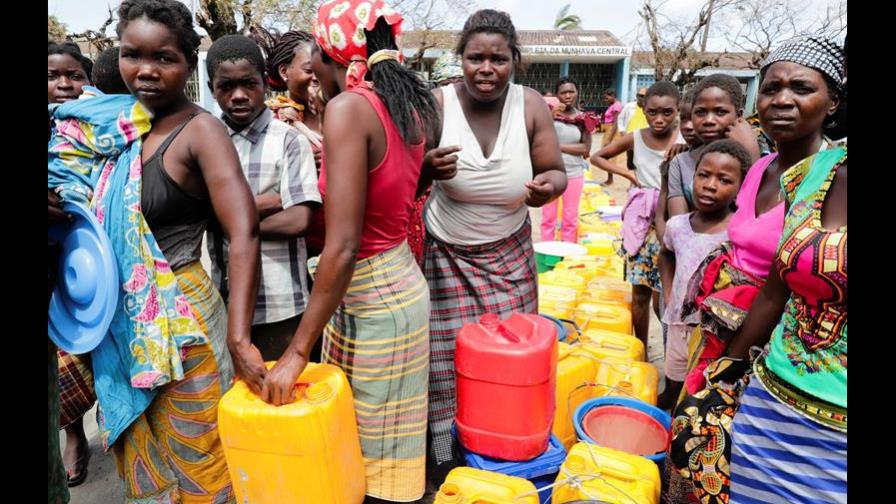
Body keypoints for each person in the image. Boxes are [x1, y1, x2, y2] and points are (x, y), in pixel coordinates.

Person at [50, 0, 264, 500]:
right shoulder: (108, 127)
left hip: (183, 319)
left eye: (163, 58)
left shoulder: (199, 131)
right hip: (117, 322)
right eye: (132, 55)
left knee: (199, 454)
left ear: (188, 63)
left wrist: (239, 337)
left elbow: (244, 231)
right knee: (144, 458)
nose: (145, 70)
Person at [255, 2, 440, 501]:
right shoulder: (408, 102)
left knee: (366, 458)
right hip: (395, 281)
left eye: (314, 44)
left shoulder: (349, 109)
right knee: (383, 451)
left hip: (371, 293)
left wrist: (296, 352)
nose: (309, 57)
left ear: (330, 50)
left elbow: (342, 244)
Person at [667, 36, 845, 504]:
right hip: (722, 330)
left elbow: (788, 283)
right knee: (699, 447)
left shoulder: (823, 178)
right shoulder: (764, 168)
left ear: (833, 102)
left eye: (801, 88)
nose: (783, 100)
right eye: (771, 88)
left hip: (776, 345)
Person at [422, 8, 566, 475]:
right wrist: (426, 167)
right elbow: (407, 168)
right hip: (445, 254)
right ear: (460, 59)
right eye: (475, 58)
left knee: (514, 356)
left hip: (510, 254)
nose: (487, 69)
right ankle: (447, 455)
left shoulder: (530, 107)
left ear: (514, 61)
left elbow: (556, 170)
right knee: (446, 364)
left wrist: (549, 186)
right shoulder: (438, 104)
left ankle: (506, 454)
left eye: (498, 59)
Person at [205, 35, 321, 361]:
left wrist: (229, 218)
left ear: (264, 83)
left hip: (283, 303)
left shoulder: (288, 140)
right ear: (212, 88)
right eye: (226, 86)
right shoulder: (207, 142)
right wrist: (272, 200)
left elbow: (299, 218)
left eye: (249, 84)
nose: (239, 95)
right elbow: (200, 212)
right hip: (224, 300)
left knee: (283, 399)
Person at [656, 140, 749, 409]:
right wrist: (670, 289)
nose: (710, 185)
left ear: (741, 188)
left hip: (713, 332)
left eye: (724, 180)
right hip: (678, 324)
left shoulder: (737, 233)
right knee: (674, 378)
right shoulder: (678, 225)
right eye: (703, 175)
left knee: (702, 389)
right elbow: (665, 255)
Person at [590, 81, 682, 348]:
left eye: (667, 112)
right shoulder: (636, 137)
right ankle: (639, 349)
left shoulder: (685, 138)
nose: (660, 119)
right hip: (641, 226)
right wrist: (627, 174)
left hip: (672, 223)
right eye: (652, 112)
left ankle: (668, 350)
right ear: (643, 109)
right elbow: (598, 157)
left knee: (662, 297)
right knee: (639, 293)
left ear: (677, 110)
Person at [48, 40, 97, 489]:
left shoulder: (103, 123)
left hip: (102, 255)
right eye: (53, 76)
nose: (64, 84)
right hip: (58, 263)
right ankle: (75, 435)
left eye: (74, 75)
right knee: (68, 348)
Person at [667, 74, 760, 218]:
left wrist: (752, 151)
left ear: (738, 115)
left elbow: (760, 211)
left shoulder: (760, 154)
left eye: (720, 112)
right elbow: (677, 225)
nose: (709, 120)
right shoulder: (680, 162)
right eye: (700, 112)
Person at [540, 77, 592, 243]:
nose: (568, 96)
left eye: (571, 92)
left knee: (570, 218)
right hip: (550, 172)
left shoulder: (584, 119)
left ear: (577, 93)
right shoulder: (548, 114)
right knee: (548, 217)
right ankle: (546, 252)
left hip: (574, 173)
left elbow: (585, 149)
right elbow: (540, 138)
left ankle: (568, 257)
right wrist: (550, 116)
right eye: (563, 93)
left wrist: (557, 146)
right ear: (557, 95)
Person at [599, 88, 624, 185]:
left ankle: (610, 179)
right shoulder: (613, 105)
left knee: (609, 155)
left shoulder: (617, 106)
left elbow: (616, 122)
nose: (606, 100)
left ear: (613, 95)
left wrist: (609, 138)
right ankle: (609, 178)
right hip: (608, 130)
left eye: (607, 97)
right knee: (607, 155)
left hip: (612, 131)